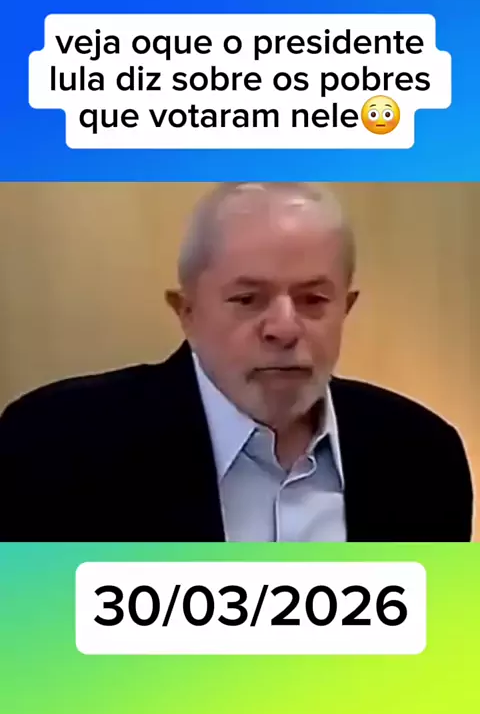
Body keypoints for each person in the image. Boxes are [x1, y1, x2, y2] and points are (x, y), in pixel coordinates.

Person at [0, 182, 474, 541]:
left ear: (345, 310)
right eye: (248, 299)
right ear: (187, 312)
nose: (284, 328)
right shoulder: (53, 447)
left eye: (313, 300)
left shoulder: (423, 457)